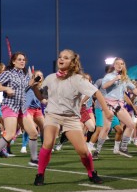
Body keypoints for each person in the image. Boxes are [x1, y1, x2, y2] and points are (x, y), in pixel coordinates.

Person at [32, 49, 113, 186]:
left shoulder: (78, 79)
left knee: (82, 150)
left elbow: (97, 93)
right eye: (60, 57)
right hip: (52, 115)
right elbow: (42, 97)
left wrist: (106, 110)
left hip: (71, 118)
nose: (61, 59)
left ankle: (91, 172)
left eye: (66, 57)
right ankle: (40, 174)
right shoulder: (50, 78)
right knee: (48, 143)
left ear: (72, 62)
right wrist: (34, 87)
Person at [0, 52, 39, 169]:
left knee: (34, 133)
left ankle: (34, 159)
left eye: (23, 59)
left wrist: (33, 82)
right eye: (19, 59)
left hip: (22, 107)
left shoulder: (24, 75)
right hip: (10, 106)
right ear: (13, 62)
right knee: (10, 134)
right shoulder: (8, 73)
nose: (22, 61)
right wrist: (6, 88)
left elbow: (24, 87)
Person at [98, 57, 137, 158]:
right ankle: (97, 151)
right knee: (106, 128)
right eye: (118, 63)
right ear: (114, 65)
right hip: (108, 104)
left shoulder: (125, 77)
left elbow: (133, 89)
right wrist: (115, 79)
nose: (120, 65)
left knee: (131, 125)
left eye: (122, 64)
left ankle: (123, 148)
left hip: (119, 104)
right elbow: (104, 86)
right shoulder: (109, 75)